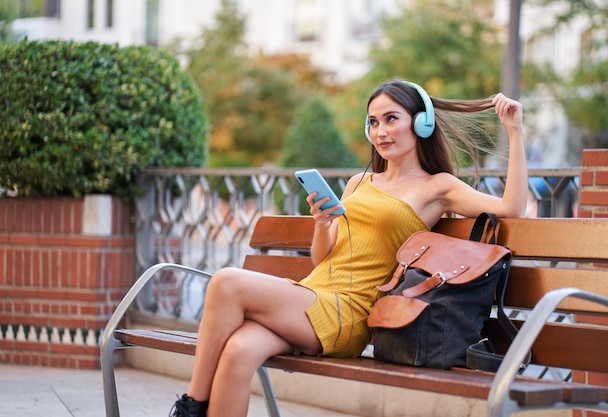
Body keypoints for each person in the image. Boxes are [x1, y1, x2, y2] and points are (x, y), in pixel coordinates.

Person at [169, 79, 527, 417]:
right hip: (312, 296)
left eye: (391, 119)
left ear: (422, 124)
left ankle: (191, 404)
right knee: (238, 352)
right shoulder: (359, 182)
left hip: (350, 313)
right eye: (373, 122)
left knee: (227, 281)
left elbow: (511, 208)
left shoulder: (437, 187)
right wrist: (322, 224)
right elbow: (322, 258)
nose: (380, 132)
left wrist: (514, 131)